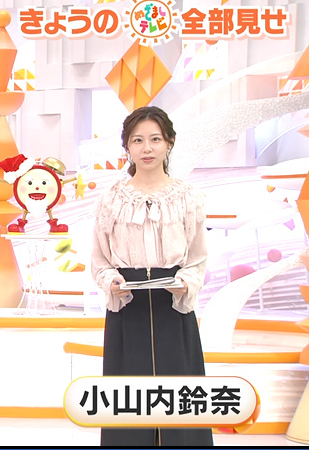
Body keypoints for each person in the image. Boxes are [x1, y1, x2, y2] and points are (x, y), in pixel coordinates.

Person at [89, 106, 213, 447]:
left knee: (179, 395)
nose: (147, 148)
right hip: (127, 305)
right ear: (127, 147)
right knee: (128, 398)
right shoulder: (111, 199)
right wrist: (110, 281)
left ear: (169, 143)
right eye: (138, 140)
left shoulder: (187, 197)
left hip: (173, 305)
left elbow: (198, 257)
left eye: (155, 139)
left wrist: (186, 282)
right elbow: (99, 259)